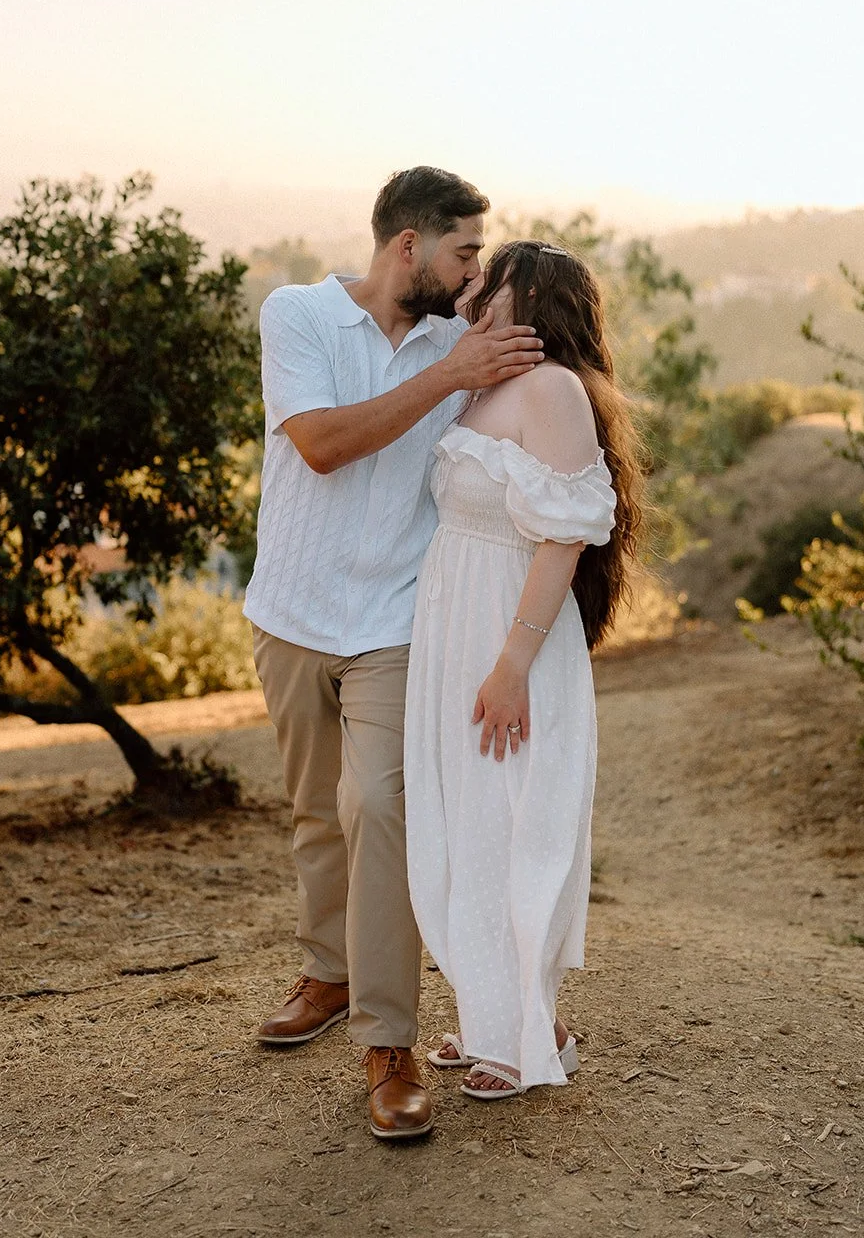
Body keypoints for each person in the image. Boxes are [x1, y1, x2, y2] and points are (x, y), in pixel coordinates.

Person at [244, 168, 546, 1141]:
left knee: (377, 804)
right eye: (462, 252)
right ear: (406, 246)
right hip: (290, 610)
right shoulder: (296, 316)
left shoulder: (464, 347)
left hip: (394, 619)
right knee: (313, 812)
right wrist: (450, 376)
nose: (471, 275)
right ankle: (326, 973)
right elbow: (323, 444)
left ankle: (387, 1041)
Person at [404, 240, 643, 1100]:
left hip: (513, 637)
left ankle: (528, 1035)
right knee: (467, 826)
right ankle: (493, 1016)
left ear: (527, 296)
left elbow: (564, 537)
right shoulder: (482, 384)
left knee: (513, 827)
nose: (474, 289)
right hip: (453, 631)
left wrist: (511, 664)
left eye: (489, 279)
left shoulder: (551, 391)